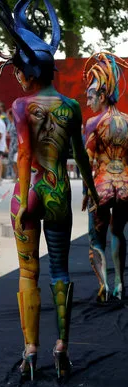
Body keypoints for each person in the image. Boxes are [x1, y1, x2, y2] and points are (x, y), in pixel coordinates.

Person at [0, 0, 99, 380]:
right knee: (60, 270)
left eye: (19, 72)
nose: (18, 79)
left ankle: (30, 350)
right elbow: (80, 155)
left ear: (28, 73)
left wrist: (20, 202)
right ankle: (62, 348)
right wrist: (91, 188)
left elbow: (22, 152)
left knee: (27, 272)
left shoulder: (22, 105)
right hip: (56, 192)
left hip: (29, 191)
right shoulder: (70, 106)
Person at [83, 52, 128, 302]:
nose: (88, 101)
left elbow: (87, 162)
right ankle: (121, 283)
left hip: (100, 188)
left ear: (102, 95)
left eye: (90, 96)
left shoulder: (93, 122)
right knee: (119, 233)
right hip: (124, 188)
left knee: (96, 237)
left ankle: (105, 286)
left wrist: (86, 191)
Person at [6, 108, 19, 180]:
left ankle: (16, 176)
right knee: (11, 160)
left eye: (8, 114)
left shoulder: (16, 123)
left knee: (15, 161)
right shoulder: (11, 123)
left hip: (16, 144)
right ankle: (13, 176)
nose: (6, 115)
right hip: (12, 143)